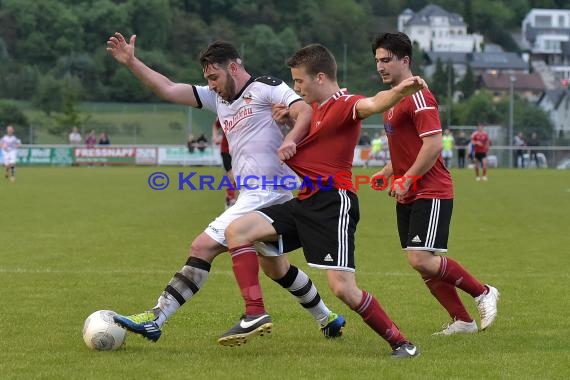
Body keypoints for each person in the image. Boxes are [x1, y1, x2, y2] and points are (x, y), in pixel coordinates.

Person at [106, 33, 344, 346]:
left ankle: (157, 318)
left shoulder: (265, 87)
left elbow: (304, 111)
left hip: (268, 191)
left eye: (215, 77)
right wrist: (131, 62)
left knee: (202, 246)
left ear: (233, 67)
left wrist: (290, 139)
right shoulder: (216, 98)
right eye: (208, 79)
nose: (212, 84)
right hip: (257, 195)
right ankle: (327, 318)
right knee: (275, 267)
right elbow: (167, 88)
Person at [224, 43, 425, 358]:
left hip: (335, 204)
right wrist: (287, 125)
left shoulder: (345, 103)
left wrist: (401, 90)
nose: (295, 88)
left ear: (320, 77)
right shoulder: (309, 111)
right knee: (238, 230)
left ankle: (402, 343)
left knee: (344, 289)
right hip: (305, 202)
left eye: (299, 81)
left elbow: (373, 103)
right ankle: (254, 313)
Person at [370, 32, 499, 336]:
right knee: (420, 262)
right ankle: (463, 321)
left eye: (386, 59)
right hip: (408, 190)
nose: (380, 66)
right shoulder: (393, 100)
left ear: (406, 60)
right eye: (377, 60)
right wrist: (388, 171)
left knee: (421, 258)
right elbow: (408, 147)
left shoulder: (418, 96)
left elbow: (433, 145)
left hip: (432, 190)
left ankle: (483, 292)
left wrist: (408, 178)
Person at [212, 118, 237, 209]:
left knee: (239, 176)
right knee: (231, 175)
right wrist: (215, 137)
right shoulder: (224, 112)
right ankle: (231, 199)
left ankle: (230, 197)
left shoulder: (245, 111)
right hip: (226, 150)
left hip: (239, 150)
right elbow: (215, 125)